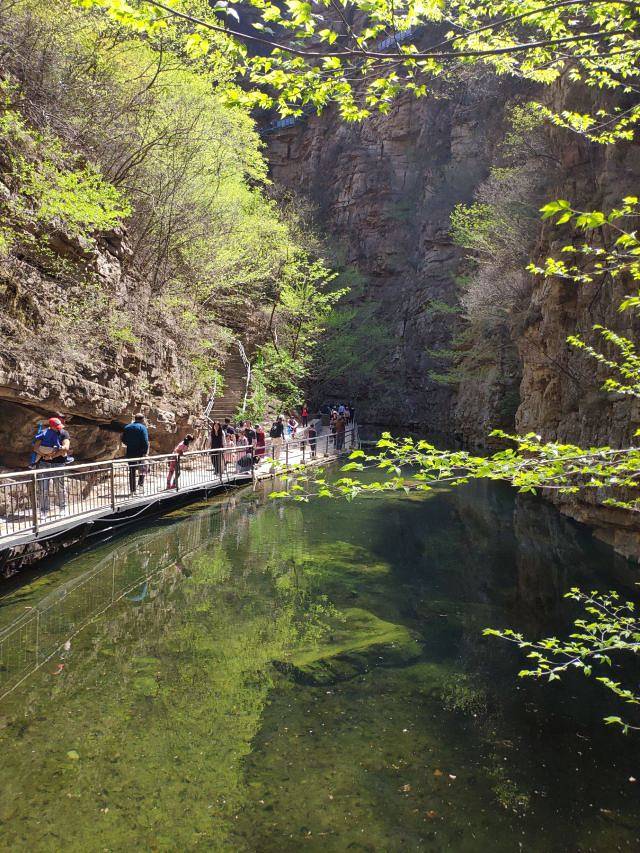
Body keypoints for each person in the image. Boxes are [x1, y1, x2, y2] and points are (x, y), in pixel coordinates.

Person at [34, 418, 69, 515]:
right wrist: (45, 455)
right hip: (44, 464)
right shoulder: (44, 432)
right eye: (56, 427)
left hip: (58, 464)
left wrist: (52, 455)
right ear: (52, 426)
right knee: (43, 488)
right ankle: (44, 510)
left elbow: (66, 447)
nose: (59, 429)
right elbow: (36, 447)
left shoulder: (64, 433)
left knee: (60, 487)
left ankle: (63, 508)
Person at [122, 413, 149, 495]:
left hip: (130, 452)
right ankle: (140, 487)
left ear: (135, 418)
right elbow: (145, 441)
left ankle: (132, 490)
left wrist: (130, 445)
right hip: (140, 453)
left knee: (132, 471)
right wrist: (144, 452)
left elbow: (123, 440)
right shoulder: (142, 428)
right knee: (142, 469)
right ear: (142, 419)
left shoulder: (127, 427)